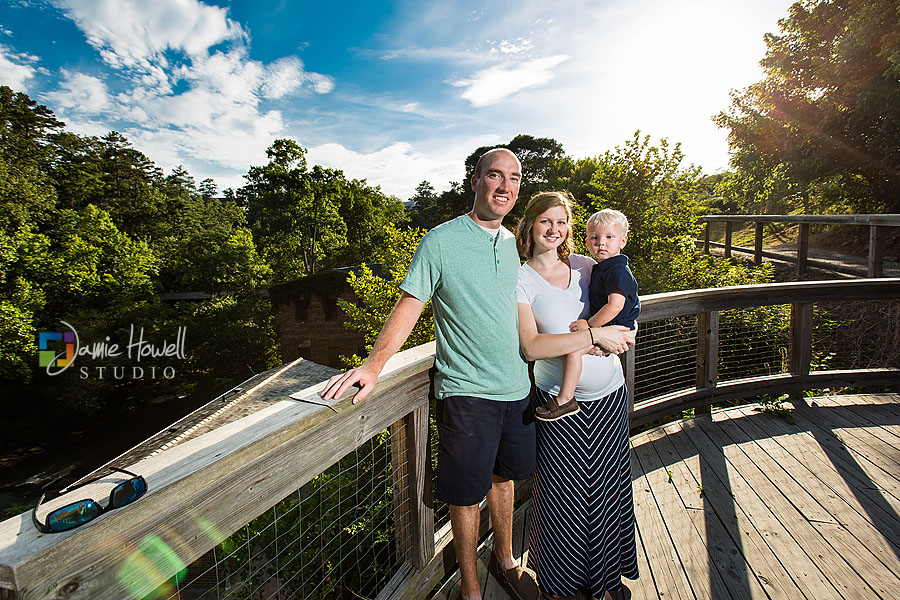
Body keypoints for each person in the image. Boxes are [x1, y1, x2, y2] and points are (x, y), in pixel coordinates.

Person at [320, 149, 632, 600]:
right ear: (475, 181)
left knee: (505, 478)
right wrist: (374, 365)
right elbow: (411, 304)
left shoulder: (515, 246)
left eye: (514, 177)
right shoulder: (442, 241)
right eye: (495, 176)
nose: (505, 186)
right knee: (465, 495)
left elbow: (597, 283)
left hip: (517, 388)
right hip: (466, 390)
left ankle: (504, 562)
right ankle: (470, 588)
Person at [515, 192, 639, 600]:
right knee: (564, 498)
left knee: (607, 488)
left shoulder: (588, 266)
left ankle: (601, 582)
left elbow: (623, 310)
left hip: (611, 396)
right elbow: (532, 347)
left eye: (562, 222)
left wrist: (624, 333)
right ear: (530, 225)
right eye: (546, 221)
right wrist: (591, 334)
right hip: (559, 405)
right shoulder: (521, 279)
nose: (555, 230)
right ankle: (560, 586)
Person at [534, 208, 640, 421]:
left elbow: (615, 306)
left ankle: (565, 399)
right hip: (611, 330)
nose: (601, 242)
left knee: (573, 351)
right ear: (587, 240)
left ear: (623, 241)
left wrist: (590, 326)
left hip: (614, 329)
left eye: (609, 237)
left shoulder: (616, 270)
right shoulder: (598, 267)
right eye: (595, 237)